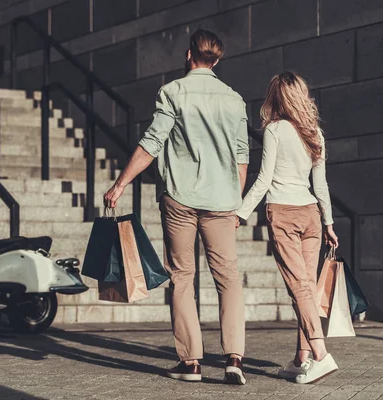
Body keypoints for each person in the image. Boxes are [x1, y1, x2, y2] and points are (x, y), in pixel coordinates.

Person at [104, 29, 249, 385]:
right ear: (217, 59)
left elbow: (152, 142)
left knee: (182, 277)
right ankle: (234, 360)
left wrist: (121, 183)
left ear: (189, 55)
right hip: (222, 201)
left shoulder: (173, 92)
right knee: (228, 277)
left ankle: (192, 363)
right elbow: (243, 157)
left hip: (180, 199)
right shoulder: (234, 100)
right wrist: (235, 202)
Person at [236, 72, 340, 384]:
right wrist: (329, 222)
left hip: (282, 212)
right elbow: (320, 186)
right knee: (305, 286)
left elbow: (264, 178)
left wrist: (240, 212)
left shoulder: (275, 130)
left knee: (299, 287)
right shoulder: (314, 133)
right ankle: (302, 358)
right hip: (310, 214)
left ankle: (321, 355)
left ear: (276, 97)